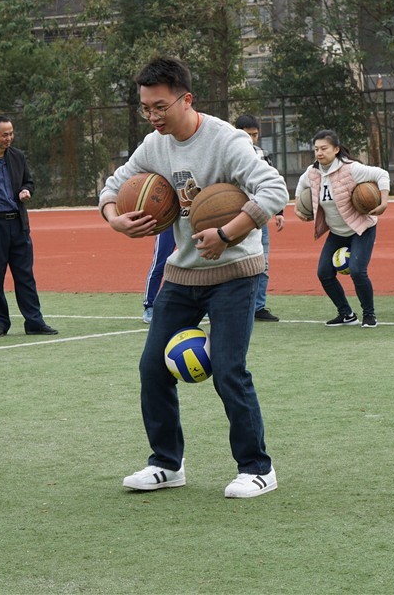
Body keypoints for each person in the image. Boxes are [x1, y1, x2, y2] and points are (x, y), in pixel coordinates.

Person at [101, 57, 287, 498]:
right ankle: (166, 463)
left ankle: (257, 468)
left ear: (187, 99)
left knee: (228, 369)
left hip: (235, 274)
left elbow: (275, 190)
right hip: (183, 274)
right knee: (152, 367)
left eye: (160, 106)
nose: (152, 116)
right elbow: (112, 186)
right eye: (145, 107)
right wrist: (115, 218)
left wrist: (228, 233)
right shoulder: (154, 145)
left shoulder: (227, 140)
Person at [0, 115, 57, 337]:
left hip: (18, 224)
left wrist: (26, 191)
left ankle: (34, 322)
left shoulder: (18, 157)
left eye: (11, 133)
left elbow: (29, 182)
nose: (9, 138)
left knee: (25, 275)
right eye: (4, 134)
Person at [298, 130, 390, 328]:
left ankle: (369, 314)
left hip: (361, 228)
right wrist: (299, 208)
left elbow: (382, 174)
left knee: (357, 271)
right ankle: (346, 314)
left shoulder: (351, 169)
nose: (319, 153)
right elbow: (301, 184)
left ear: (336, 149)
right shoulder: (312, 172)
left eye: (324, 148)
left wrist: (383, 202)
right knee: (324, 273)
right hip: (337, 232)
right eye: (316, 149)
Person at [234, 114, 285, 322]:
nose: (251, 139)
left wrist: (279, 212)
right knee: (229, 265)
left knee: (261, 263)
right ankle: (225, 306)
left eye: (254, 135)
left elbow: (272, 182)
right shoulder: (227, 154)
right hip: (232, 216)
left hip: (258, 216)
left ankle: (258, 307)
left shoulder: (263, 154)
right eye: (247, 134)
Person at [141, 225, 175, 324]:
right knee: (159, 264)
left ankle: (201, 305)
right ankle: (149, 306)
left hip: (188, 222)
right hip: (169, 224)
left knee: (196, 262)